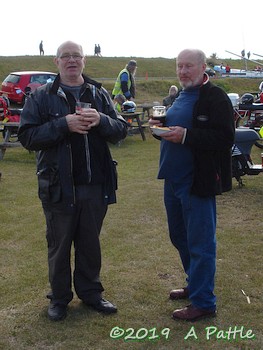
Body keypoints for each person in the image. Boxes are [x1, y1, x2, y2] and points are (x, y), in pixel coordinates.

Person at [18, 40, 128, 321]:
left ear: (84, 60)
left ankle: (91, 294)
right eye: (65, 56)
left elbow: (120, 130)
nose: (71, 60)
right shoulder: (40, 96)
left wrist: (101, 119)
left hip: (95, 184)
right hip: (57, 186)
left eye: (76, 55)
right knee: (59, 245)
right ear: (56, 62)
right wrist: (62, 125)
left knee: (90, 244)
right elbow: (27, 137)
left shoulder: (98, 93)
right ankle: (59, 299)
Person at [149, 49, 235, 321]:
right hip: (172, 179)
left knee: (200, 241)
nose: (183, 71)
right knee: (179, 236)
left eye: (188, 66)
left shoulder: (215, 97)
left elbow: (224, 138)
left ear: (202, 67)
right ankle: (194, 283)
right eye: (179, 66)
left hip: (197, 180)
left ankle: (204, 302)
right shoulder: (180, 95)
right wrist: (159, 129)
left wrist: (186, 136)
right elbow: (173, 129)